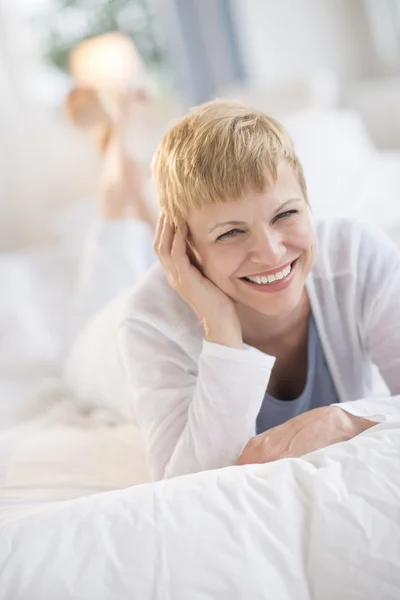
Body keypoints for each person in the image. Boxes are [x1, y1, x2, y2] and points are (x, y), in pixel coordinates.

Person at [68, 99, 400, 481]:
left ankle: (143, 200)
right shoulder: (147, 320)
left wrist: (347, 420)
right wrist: (221, 330)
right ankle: (116, 182)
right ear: (187, 248)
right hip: (100, 342)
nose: (272, 252)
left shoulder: (358, 257)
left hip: (211, 268)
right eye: (230, 232)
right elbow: (188, 482)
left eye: (286, 214)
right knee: (106, 282)